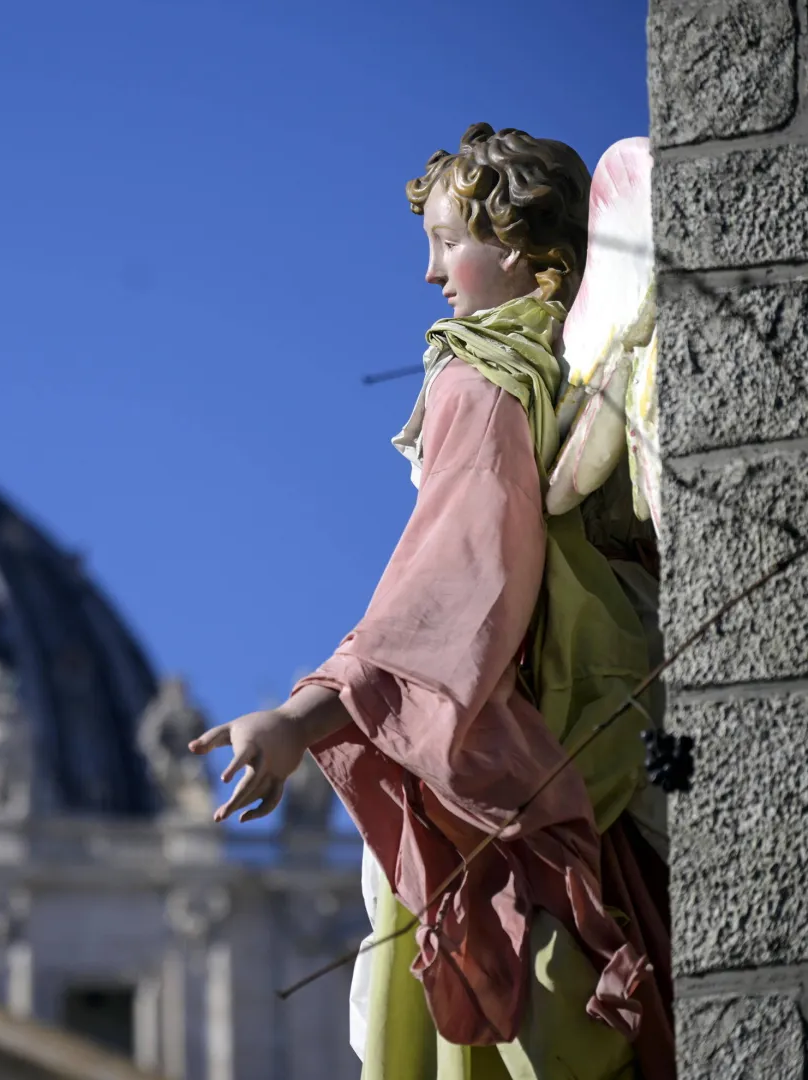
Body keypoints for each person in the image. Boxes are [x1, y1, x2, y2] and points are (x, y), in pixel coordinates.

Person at [190, 124, 673, 1080]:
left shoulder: (481, 378)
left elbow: (453, 578)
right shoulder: (572, 373)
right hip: (619, 703)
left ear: (535, 258)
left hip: (530, 723)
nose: (429, 274)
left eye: (450, 242)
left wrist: (306, 712)